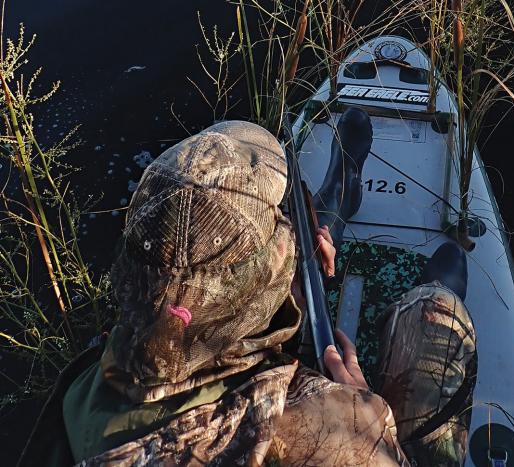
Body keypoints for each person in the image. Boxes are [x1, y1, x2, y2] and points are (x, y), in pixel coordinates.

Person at [18, 119, 476, 467]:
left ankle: (340, 195)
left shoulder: (81, 391)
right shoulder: (328, 433)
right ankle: (353, 213)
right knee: (440, 305)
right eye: (283, 228)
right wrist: (363, 418)